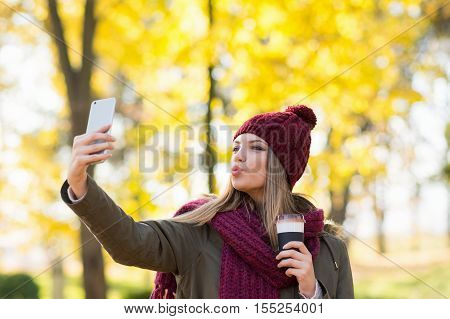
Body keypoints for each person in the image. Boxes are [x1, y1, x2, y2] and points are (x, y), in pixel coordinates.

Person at [60, 104, 354, 299]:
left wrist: (312, 292)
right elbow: (131, 242)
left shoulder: (329, 250)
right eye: (236, 146)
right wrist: (80, 183)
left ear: (282, 164)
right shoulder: (200, 227)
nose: (237, 156)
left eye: (254, 148)